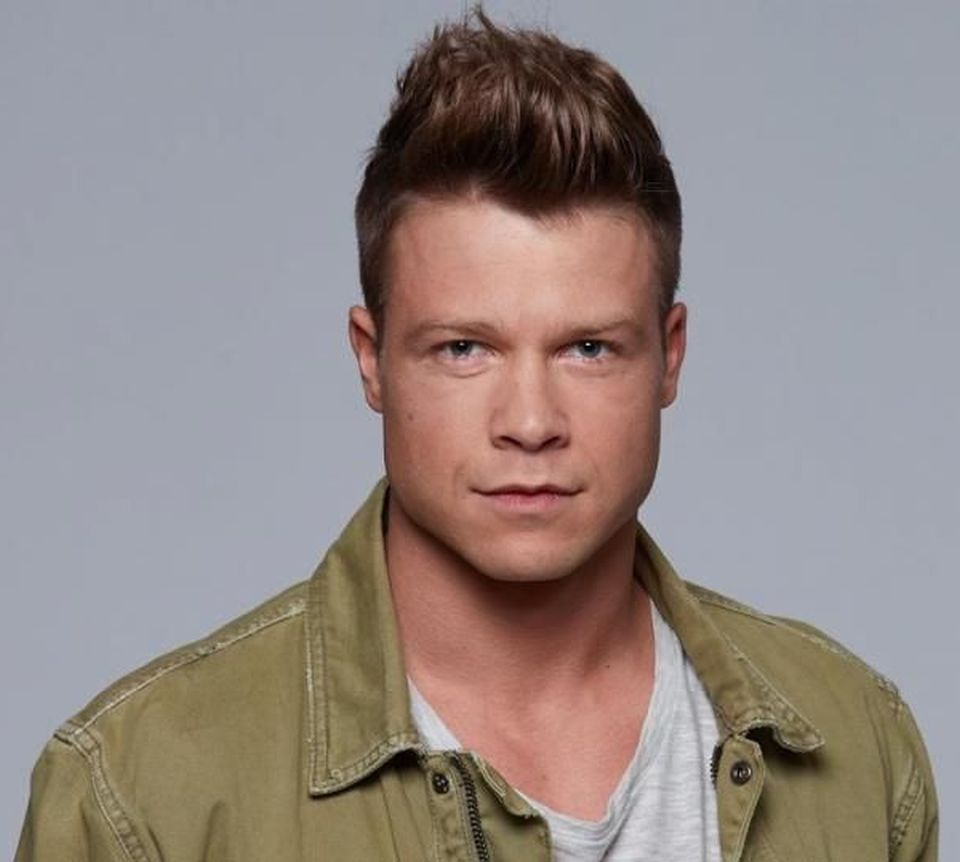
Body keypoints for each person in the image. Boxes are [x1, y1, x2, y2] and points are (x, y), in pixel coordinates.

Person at [16, 9, 938, 862]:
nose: (530, 423)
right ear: (372, 361)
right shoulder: (143, 794)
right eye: (464, 348)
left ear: (670, 357)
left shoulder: (858, 744)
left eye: (588, 348)